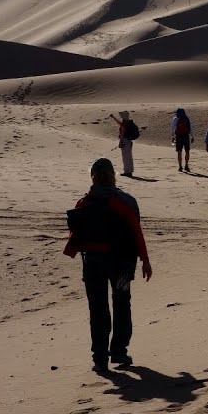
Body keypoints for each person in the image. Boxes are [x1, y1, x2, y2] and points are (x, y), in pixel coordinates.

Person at [64, 158, 153, 372]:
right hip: (121, 264)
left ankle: (100, 358)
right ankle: (119, 352)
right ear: (113, 175)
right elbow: (136, 232)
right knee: (122, 304)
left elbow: (75, 235)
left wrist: (71, 250)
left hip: (94, 264)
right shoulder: (124, 201)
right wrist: (145, 260)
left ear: (92, 176)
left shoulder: (83, 203)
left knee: (98, 309)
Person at [108, 111, 135, 177]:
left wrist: (120, 142)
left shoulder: (125, 123)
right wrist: (114, 118)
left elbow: (122, 133)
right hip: (129, 141)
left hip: (125, 141)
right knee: (129, 156)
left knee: (126, 157)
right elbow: (120, 124)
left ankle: (127, 172)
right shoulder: (128, 122)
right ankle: (130, 171)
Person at [171, 108, 193, 172]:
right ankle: (186, 165)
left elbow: (173, 128)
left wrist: (173, 137)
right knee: (187, 151)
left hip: (178, 136)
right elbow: (190, 128)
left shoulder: (175, 119)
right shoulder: (187, 118)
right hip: (186, 136)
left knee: (179, 152)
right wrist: (192, 136)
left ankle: (180, 166)